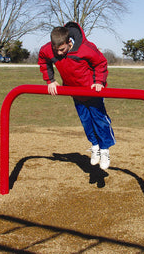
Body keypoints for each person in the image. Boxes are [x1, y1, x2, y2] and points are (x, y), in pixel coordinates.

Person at [38, 21, 115, 170]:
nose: (59, 53)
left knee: (100, 120)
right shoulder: (49, 49)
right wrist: (50, 81)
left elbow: (101, 63)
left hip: (92, 90)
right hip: (75, 92)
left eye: (62, 49)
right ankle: (95, 146)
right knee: (86, 121)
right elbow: (43, 59)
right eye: (56, 50)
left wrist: (99, 81)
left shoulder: (85, 48)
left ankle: (105, 150)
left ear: (69, 42)